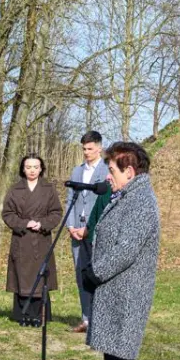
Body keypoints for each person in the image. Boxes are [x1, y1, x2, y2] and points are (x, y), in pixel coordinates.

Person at [85, 142, 161, 360]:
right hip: (116, 289)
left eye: (113, 170)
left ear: (129, 171)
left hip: (128, 292)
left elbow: (126, 250)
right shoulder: (128, 195)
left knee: (121, 359)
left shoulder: (141, 200)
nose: (109, 175)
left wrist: (95, 272)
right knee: (114, 357)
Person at [1, 154, 62, 323]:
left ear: (41, 168)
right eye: (28, 167)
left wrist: (42, 223)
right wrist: (24, 223)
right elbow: (7, 213)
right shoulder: (15, 189)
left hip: (41, 239)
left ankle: (39, 315)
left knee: (40, 275)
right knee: (22, 275)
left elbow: (56, 212)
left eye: (35, 167)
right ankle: (22, 315)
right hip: (22, 239)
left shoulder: (49, 189)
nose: (32, 170)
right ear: (23, 168)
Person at [65, 130, 109, 333]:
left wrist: (88, 228)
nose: (86, 152)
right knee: (81, 274)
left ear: (99, 148)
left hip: (95, 232)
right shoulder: (76, 171)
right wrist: (71, 226)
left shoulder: (107, 171)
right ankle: (85, 318)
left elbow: (106, 203)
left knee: (96, 274)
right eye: (84, 148)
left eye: (90, 148)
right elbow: (70, 200)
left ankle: (100, 319)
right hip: (77, 230)